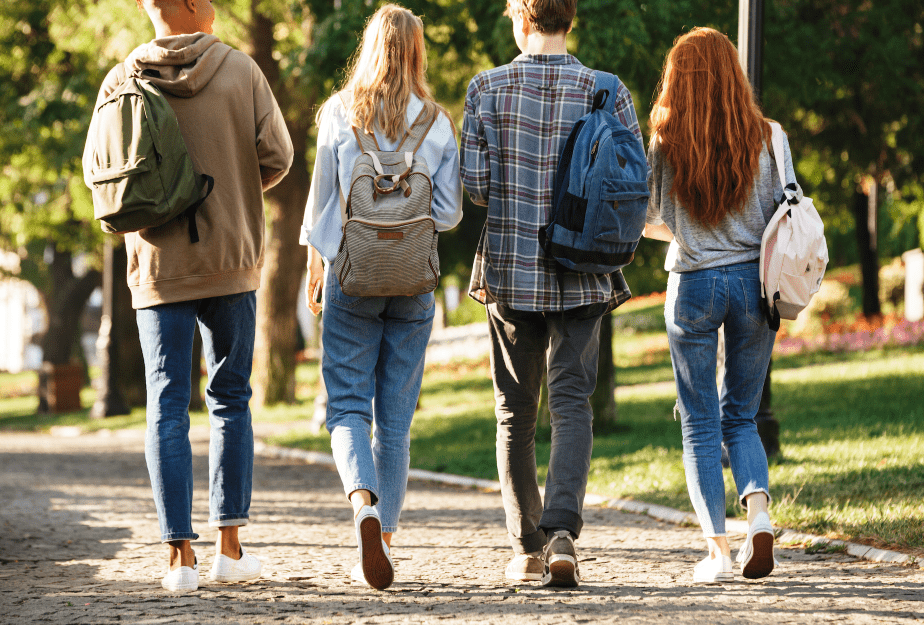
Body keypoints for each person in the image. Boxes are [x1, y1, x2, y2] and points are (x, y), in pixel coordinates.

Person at [89, 0, 293, 591]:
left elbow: (100, 174)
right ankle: (230, 548)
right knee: (230, 400)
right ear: (194, 6)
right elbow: (277, 157)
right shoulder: (241, 70)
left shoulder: (120, 79)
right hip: (230, 261)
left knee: (166, 403)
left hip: (157, 263)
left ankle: (179, 558)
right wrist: (231, 187)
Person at [460, 0, 643, 588]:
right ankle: (563, 535)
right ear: (570, 20)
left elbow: (477, 188)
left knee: (515, 412)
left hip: (512, 269)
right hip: (585, 267)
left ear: (521, 19)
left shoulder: (485, 88)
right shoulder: (607, 89)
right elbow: (631, 186)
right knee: (571, 403)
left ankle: (526, 547)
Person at [301, 4, 462, 591]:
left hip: (352, 276)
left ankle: (363, 506)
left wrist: (316, 269)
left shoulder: (338, 114)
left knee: (346, 406)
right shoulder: (438, 123)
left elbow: (322, 207)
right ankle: (385, 541)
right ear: (417, 54)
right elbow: (446, 215)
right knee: (395, 424)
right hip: (414, 284)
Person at [643, 27, 793, 582]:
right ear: (734, 73)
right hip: (756, 286)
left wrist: (688, 231)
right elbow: (787, 213)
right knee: (743, 414)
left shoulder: (664, 139)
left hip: (693, 287)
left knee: (699, 423)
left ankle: (719, 554)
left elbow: (646, 215)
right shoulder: (770, 136)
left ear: (677, 78)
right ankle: (758, 515)